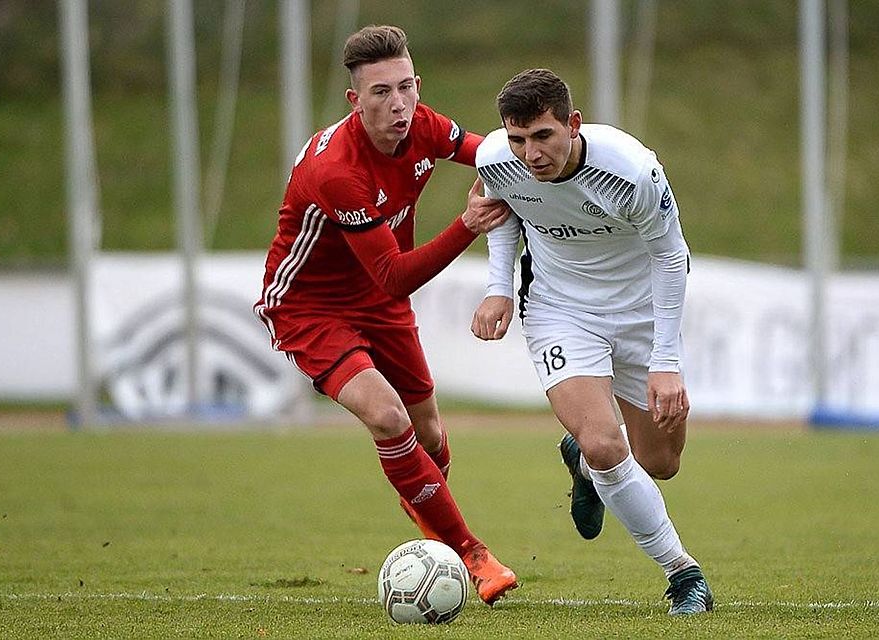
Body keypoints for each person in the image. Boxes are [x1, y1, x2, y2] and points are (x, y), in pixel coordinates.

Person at [254, 25, 517, 606]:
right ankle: (471, 553)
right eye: (380, 93)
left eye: (405, 88)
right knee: (388, 417)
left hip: (379, 302)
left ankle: (425, 511)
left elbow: (491, 153)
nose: (397, 104)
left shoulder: (419, 122)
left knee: (431, 438)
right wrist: (467, 225)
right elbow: (395, 275)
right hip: (308, 305)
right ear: (355, 100)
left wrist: (548, 164)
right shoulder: (337, 171)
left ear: (417, 85)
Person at [471, 68, 712, 615]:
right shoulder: (496, 159)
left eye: (543, 137)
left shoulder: (631, 171)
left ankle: (582, 464)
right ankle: (684, 575)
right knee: (608, 443)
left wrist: (665, 362)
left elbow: (672, 256)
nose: (530, 154)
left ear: (573, 125)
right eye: (518, 139)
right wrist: (498, 289)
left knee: (661, 461)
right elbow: (503, 212)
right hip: (560, 311)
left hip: (639, 317)